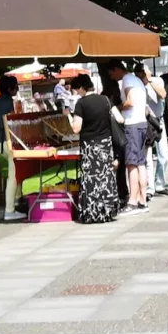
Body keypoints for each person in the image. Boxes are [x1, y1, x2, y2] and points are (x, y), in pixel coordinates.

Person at [67, 75, 121, 223]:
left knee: (91, 180)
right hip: (105, 145)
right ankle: (108, 211)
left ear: (82, 87)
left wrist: (69, 117)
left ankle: (92, 213)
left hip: (90, 146)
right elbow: (120, 119)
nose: (77, 92)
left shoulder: (81, 104)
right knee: (106, 177)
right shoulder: (105, 100)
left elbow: (76, 128)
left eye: (77, 89)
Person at [109, 63, 150, 212]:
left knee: (131, 164)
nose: (111, 77)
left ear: (117, 69)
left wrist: (117, 108)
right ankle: (142, 199)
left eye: (111, 73)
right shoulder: (137, 79)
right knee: (140, 163)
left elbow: (130, 101)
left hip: (132, 124)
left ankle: (132, 201)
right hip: (141, 123)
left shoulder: (126, 79)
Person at [137, 65, 168, 196]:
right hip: (146, 121)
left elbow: (163, 94)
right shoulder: (137, 85)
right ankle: (150, 187)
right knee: (148, 158)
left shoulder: (157, 81)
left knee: (164, 155)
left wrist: (149, 81)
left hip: (159, 121)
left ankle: (160, 184)